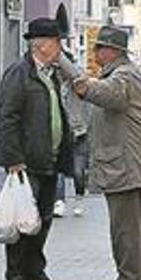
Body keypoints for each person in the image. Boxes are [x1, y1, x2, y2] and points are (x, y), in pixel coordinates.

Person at [73, 25, 141, 280]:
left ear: (112, 51)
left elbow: (110, 95)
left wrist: (86, 86)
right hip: (128, 161)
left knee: (125, 226)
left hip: (125, 163)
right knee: (133, 224)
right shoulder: (122, 74)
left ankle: (130, 278)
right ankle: (140, 276)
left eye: (99, 47)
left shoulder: (123, 76)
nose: (95, 52)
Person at [0, 17, 72, 280]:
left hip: (48, 159)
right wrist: (14, 158)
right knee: (22, 221)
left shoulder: (50, 74)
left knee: (43, 220)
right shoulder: (20, 73)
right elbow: (8, 117)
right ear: (41, 45)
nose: (60, 47)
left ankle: (35, 273)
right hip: (26, 161)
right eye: (57, 42)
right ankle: (15, 277)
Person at [54, 51, 90, 217]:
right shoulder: (53, 83)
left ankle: (79, 199)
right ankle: (59, 201)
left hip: (78, 132)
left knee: (78, 171)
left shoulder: (78, 84)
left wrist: (57, 54)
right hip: (61, 133)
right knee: (58, 169)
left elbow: (79, 76)